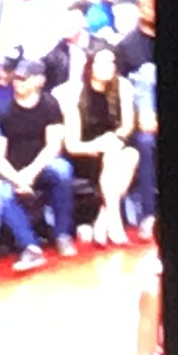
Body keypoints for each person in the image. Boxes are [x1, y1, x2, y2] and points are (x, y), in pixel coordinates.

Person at [0, 57, 79, 262]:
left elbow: (53, 146)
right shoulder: (3, 111)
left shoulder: (50, 105)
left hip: (40, 166)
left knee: (62, 170)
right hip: (12, 171)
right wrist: (18, 179)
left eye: (24, 78)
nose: (18, 82)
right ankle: (30, 245)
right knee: (2, 194)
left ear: (39, 80)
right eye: (16, 78)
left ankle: (62, 234)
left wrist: (31, 172)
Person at [64, 42, 144, 245]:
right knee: (115, 157)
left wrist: (114, 139)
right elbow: (72, 145)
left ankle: (103, 219)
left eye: (111, 62)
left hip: (116, 147)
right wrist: (98, 145)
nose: (108, 67)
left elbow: (127, 125)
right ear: (90, 66)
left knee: (131, 154)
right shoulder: (75, 94)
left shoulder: (122, 86)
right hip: (87, 155)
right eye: (101, 63)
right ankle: (115, 226)